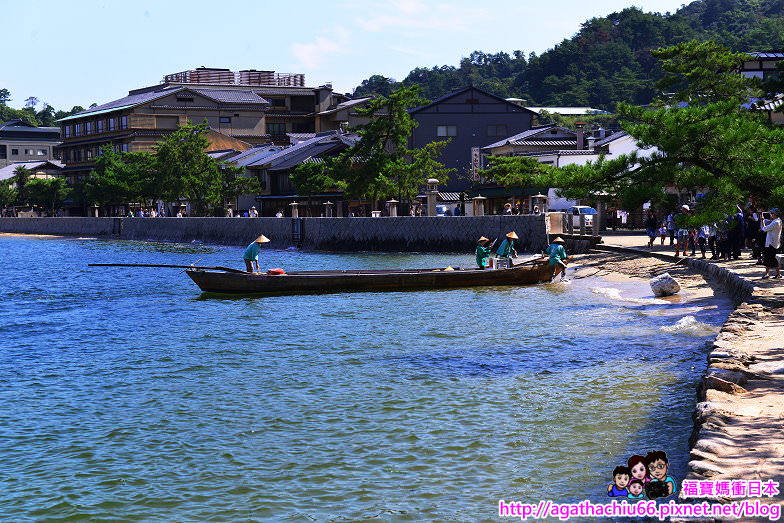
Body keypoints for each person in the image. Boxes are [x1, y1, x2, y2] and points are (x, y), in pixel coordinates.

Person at [760, 208, 782, 279]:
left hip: (771, 243)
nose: (771, 215)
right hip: (772, 242)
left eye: (772, 213)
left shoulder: (776, 222)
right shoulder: (777, 221)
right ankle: (767, 273)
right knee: (769, 259)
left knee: (771, 259)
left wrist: (762, 221)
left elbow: (764, 229)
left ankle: (777, 274)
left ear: (775, 214)